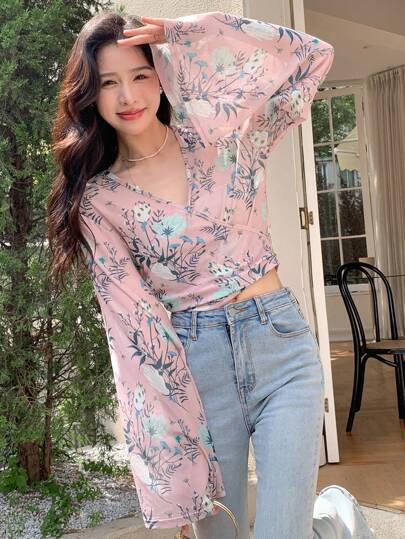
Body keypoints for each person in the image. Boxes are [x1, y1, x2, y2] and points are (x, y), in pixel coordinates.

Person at [47, 9, 375, 539]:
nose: (128, 96)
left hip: (278, 347)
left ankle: (332, 519)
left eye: (140, 74)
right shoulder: (99, 201)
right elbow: (134, 332)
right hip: (196, 369)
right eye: (108, 83)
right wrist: (171, 470)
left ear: (162, 74)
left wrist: (188, 33)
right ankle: (331, 528)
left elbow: (311, 58)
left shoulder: (222, 135)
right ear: (90, 95)